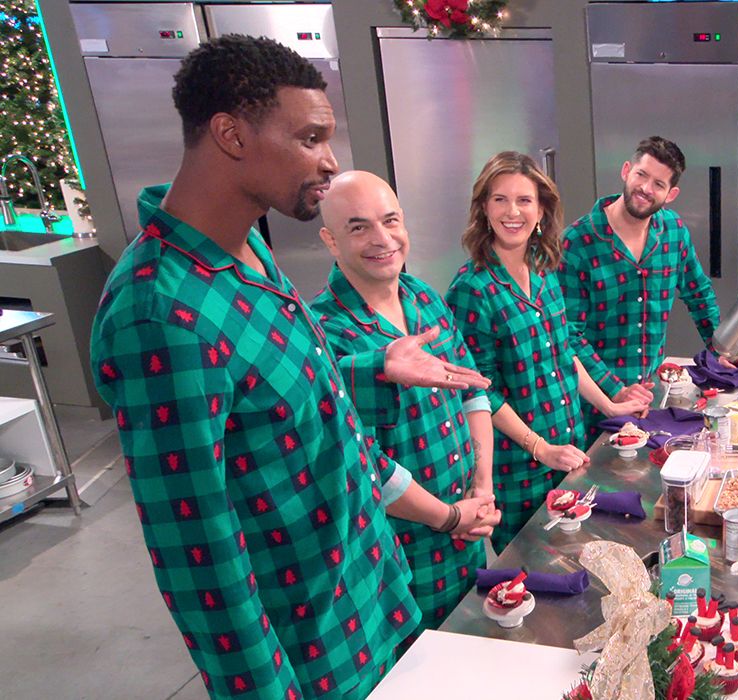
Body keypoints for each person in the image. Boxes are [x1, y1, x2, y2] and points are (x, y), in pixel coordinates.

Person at [91, 36, 490, 699]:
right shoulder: (159, 315)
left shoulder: (251, 251)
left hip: (377, 605)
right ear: (231, 135)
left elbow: (317, 417)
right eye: (310, 138)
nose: (329, 162)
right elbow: (201, 561)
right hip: (313, 657)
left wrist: (377, 372)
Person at [310, 171, 502, 642]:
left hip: (470, 531)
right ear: (330, 241)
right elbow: (363, 462)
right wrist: (449, 516)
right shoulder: (322, 334)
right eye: (358, 228)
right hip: (402, 553)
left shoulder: (422, 297)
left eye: (390, 220)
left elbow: (471, 389)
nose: (382, 239)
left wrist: (482, 488)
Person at [446, 151, 648, 550]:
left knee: (580, 561)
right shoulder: (471, 289)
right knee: (534, 572)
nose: (512, 212)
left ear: (541, 211)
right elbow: (479, 391)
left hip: (568, 448)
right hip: (520, 468)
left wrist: (607, 406)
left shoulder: (543, 268)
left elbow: (563, 351)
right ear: (484, 209)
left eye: (524, 201)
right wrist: (540, 448)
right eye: (500, 199)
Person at [560, 136, 738, 430]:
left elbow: (699, 295)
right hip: (589, 404)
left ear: (671, 194)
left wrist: (721, 350)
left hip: (651, 393)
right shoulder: (577, 242)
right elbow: (567, 335)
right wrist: (614, 388)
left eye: (658, 184)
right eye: (641, 175)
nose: (645, 189)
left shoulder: (673, 231)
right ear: (626, 170)